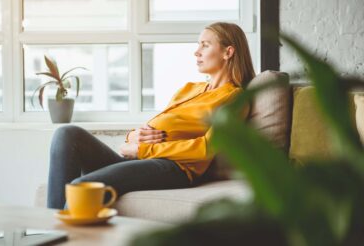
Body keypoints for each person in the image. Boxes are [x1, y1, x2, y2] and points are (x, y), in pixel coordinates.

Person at [47, 22, 256, 209]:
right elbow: (155, 125)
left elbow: (206, 148)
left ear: (228, 52)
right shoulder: (190, 88)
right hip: (147, 159)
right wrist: (132, 137)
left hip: (175, 168)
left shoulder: (235, 98)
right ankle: (51, 232)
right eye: (198, 44)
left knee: (81, 187)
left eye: (205, 45)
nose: (196, 52)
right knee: (67, 134)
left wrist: (142, 150)